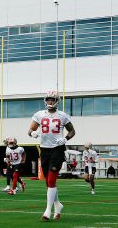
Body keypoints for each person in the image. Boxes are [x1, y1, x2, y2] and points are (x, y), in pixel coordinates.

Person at [28, 90, 75, 221]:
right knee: (48, 182)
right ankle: (57, 205)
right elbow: (30, 130)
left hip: (57, 149)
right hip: (44, 149)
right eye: (48, 99)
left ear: (57, 101)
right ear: (45, 100)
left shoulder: (62, 115)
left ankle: (48, 210)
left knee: (51, 180)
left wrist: (65, 139)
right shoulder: (39, 115)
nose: (50, 101)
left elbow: (72, 131)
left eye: (52, 99)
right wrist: (32, 133)